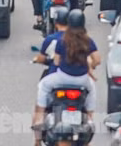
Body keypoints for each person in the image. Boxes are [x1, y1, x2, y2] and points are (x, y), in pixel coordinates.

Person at [33, 9, 99, 143]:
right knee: (92, 89)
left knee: (43, 86)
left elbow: (56, 61)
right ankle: (90, 119)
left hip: (62, 78)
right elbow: (97, 59)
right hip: (82, 81)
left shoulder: (63, 40)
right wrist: (89, 67)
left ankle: (39, 119)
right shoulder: (88, 41)